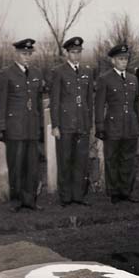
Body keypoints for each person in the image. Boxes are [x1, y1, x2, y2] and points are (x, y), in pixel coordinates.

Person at [0, 38, 44, 212]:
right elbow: (0, 103)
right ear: (16, 54)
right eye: (24, 54)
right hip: (14, 127)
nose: (27, 57)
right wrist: (1, 126)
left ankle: (30, 200)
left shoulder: (37, 73)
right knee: (16, 165)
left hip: (32, 127)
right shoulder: (6, 74)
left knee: (32, 165)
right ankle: (16, 202)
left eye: (29, 54)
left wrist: (40, 126)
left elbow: (38, 102)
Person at [95, 44, 139, 204]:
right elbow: (99, 104)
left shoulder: (133, 79)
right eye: (120, 59)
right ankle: (114, 192)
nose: (124, 62)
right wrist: (100, 126)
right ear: (113, 61)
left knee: (128, 159)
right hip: (113, 126)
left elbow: (136, 103)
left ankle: (126, 191)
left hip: (130, 125)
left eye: (125, 59)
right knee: (112, 159)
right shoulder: (105, 79)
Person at [50, 36, 94, 206]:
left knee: (81, 161)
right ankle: (65, 197)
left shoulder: (87, 71)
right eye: (73, 52)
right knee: (65, 159)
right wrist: (55, 125)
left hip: (82, 124)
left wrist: (89, 123)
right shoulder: (59, 72)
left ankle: (78, 196)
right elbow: (55, 100)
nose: (76, 55)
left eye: (79, 52)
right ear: (67, 53)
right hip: (66, 124)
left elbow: (89, 100)